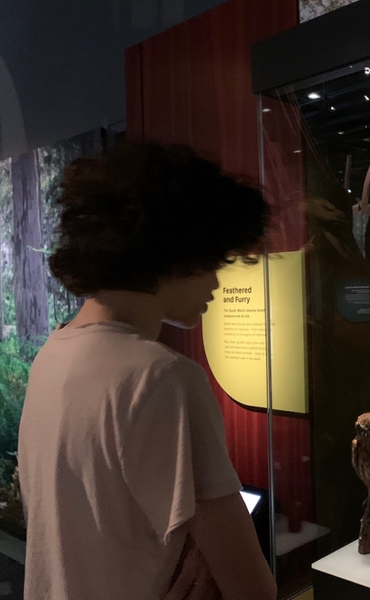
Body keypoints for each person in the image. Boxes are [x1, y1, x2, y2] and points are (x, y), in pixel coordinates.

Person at [17, 142, 278, 600]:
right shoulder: (164, 378)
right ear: (175, 253)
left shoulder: (52, 354)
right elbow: (253, 588)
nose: (217, 282)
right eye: (212, 262)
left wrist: (203, 545)